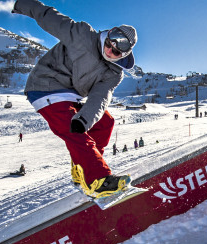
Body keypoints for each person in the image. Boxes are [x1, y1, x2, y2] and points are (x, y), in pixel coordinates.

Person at [13, 0, 137, 198]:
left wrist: (84, 119)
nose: (108, 51)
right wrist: (23, 4)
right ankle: (97, 180)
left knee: (104, 122)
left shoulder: (114, 72)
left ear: (123, 55)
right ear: (107, 35)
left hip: (71, 94)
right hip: (46, 85)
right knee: (74, 131)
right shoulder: (82, 35)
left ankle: (82, 170)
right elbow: (50, 17)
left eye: (115, 52)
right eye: (108, 44)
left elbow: (100, 97)